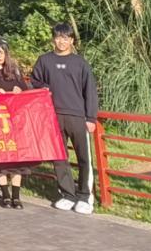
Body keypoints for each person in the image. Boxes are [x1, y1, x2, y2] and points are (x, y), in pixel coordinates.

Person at [30, 23, 99, 215]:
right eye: (58, 37)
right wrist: (43, 87)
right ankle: (67, 194)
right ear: (53, 39)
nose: (62, 41)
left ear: (72, 40)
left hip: (78, 116)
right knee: (59, 157)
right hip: (53, 116)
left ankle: (85, 196)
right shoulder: (44, 60)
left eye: (66, 38)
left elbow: (90, 91)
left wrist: (91, 118)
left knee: (84, 158)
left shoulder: (80, 63)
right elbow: (34, 81)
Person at [0, 37, 31, 209]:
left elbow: (25, 89)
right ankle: (4, 194)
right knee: (0, 159)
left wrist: (19, 89)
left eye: (2, 52)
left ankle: (16, 195)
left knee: (17, 158)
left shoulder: (14, 70)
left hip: (14, 120)